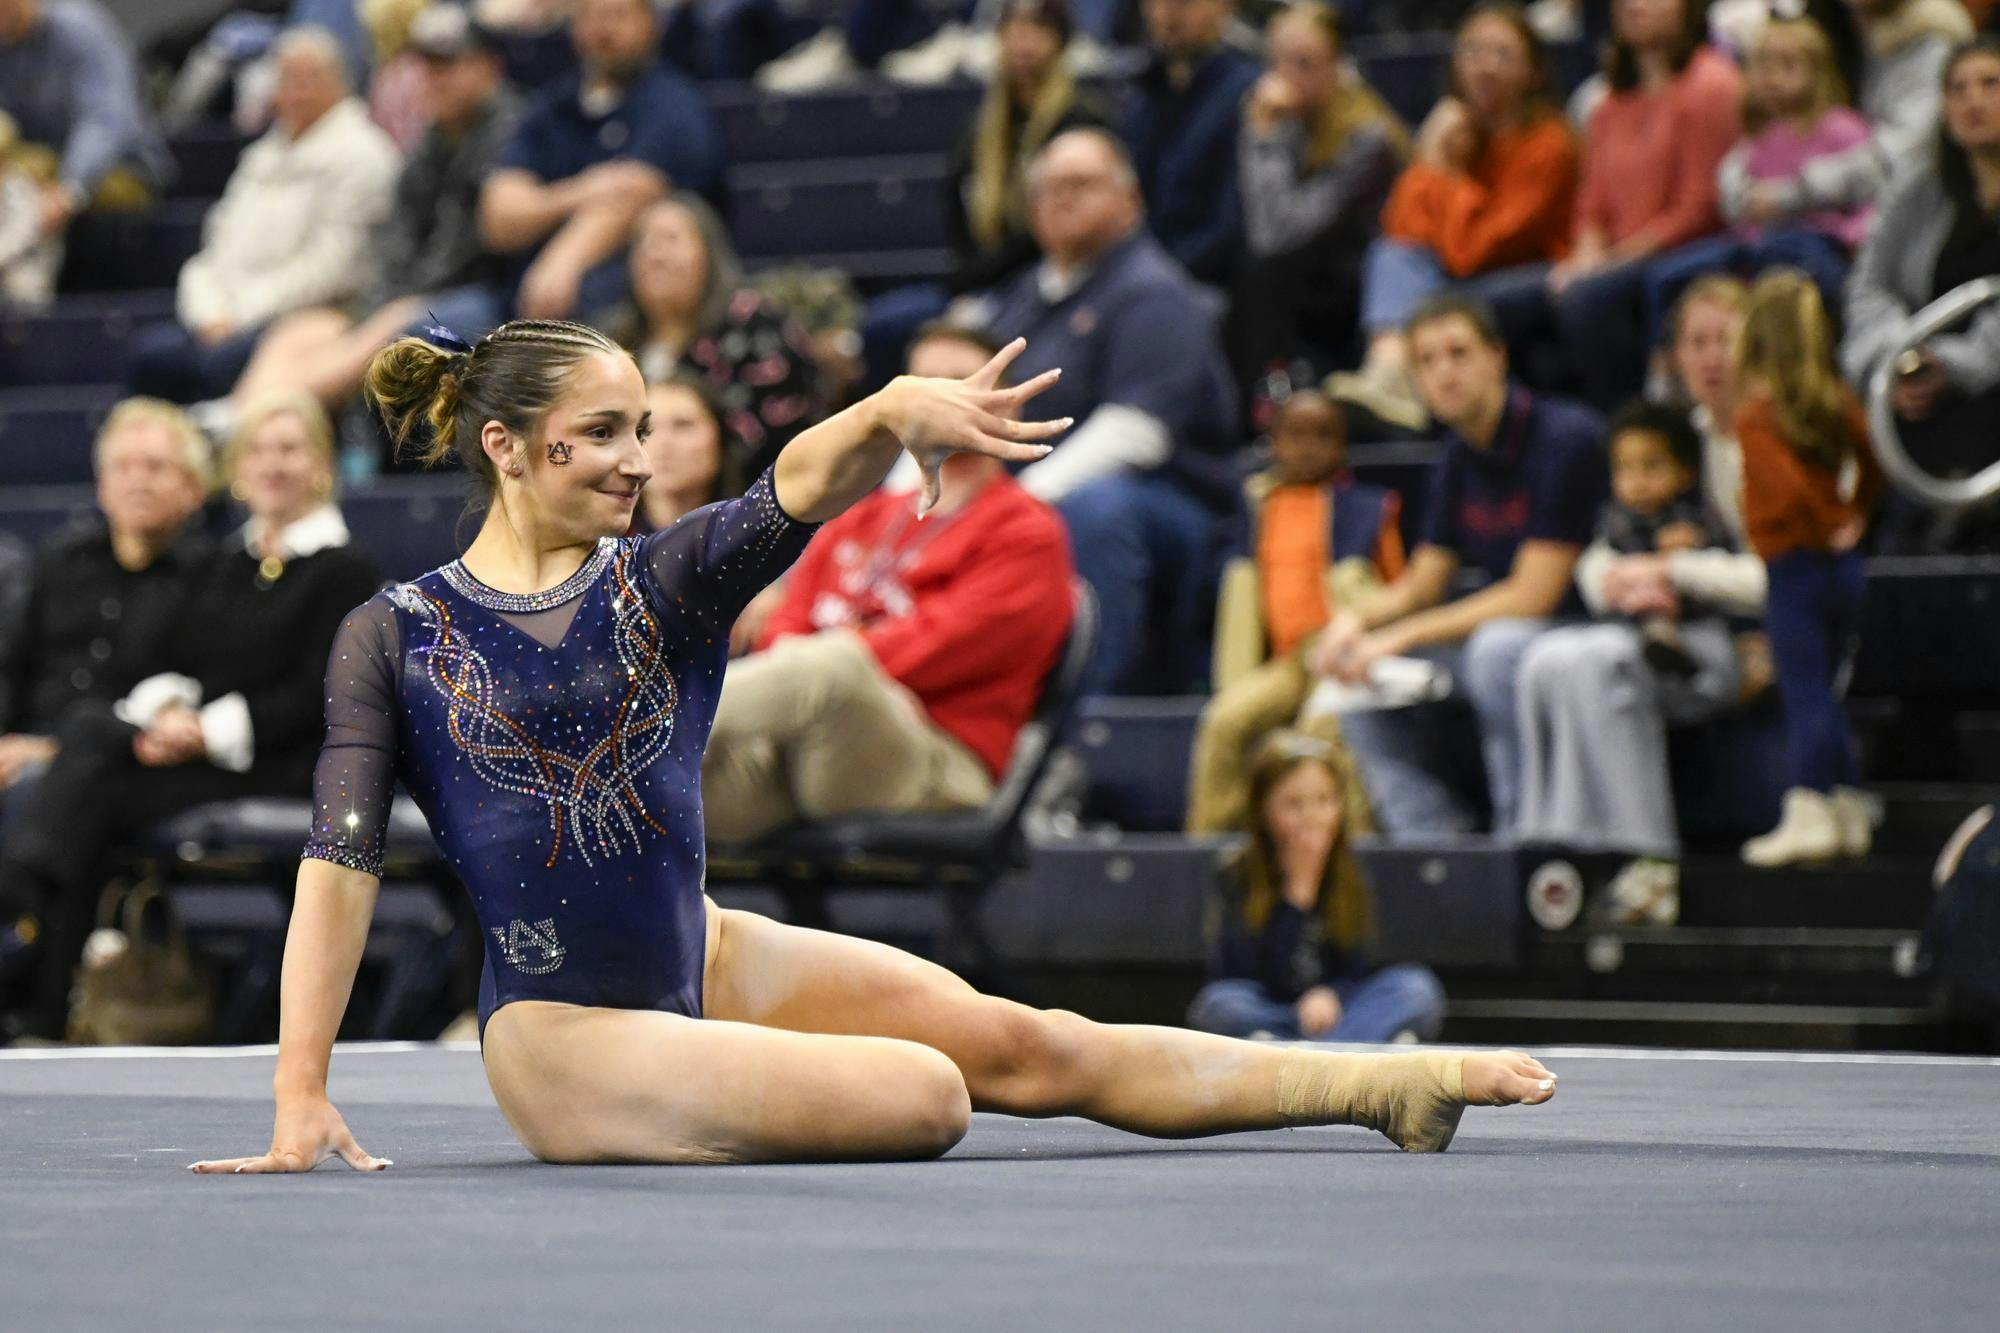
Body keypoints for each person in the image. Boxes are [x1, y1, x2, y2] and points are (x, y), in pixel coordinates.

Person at [185, 317, 1557, 1172]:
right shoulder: (400, 631)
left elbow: (792, 488)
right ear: (506, 447)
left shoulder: (660, 585)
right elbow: (339, 869)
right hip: (559, 1035)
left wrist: (896, 405)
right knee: (929, 1094)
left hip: (697, 950)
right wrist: (299, 1093)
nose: (635, 460)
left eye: (645, 430)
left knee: (1030, 1046)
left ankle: (1380, 1086)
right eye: (600, 434)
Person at [0, 392, 381, 1041]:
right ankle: (39, 991)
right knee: (96, 765)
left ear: (323, 465)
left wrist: (207, 728)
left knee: (92, 772)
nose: (272, 464)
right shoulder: (228, 563)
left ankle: (26, 928)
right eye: (258, 450)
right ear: (237, 468)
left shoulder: (347, 571)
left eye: (290, 449)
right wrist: (170, 710)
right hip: (206, 755)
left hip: (282, 763)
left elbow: (321, 695)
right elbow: (178, 659)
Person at [703, 324, 1076, 844]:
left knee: (836, 665)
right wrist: (802, 674)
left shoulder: (1028, 531)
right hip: (809, 737)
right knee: (670, 794)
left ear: (1006, 407)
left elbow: (943, 644)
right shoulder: (865, 513)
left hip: (936, 758)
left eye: (957, 382)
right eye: (921, 384)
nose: (934, 399)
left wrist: (836, 673)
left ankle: (616, 719)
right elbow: (789, 613)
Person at [1513, 276, 1765, 926]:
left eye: (1725, 340)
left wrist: (1674, 568)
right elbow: (1605, 548)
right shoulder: (1677, 435)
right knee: (1547, 658)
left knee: (1599, 662)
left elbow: (1778, 576)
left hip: (1733, 639)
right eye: (1696, 342)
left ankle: (1651, 863)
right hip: (1654, 621)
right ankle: (1557, 851)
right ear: (1674, 355)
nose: (1711, 357)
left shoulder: (1774, 438)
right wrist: (1616, 578)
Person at [1314, 294, 1607, 836]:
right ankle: (1433, 845)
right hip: (1508, 629)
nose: (1444, 373)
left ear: (1497, 357)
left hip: (1582, 625)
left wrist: (1398, 637)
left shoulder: (1565, 439)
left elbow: (1532, 596)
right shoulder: (1455, 455)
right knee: (1356, 681)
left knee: (1495, 652)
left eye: (1458, 353)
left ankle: (1520, 842)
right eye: (1426, 361)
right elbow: (1422, 584)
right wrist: (1355, 624)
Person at [977, 128, 1241, 694]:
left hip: (1172, 503)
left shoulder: (1156, 292)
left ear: (1130, 199)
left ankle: (1093, 711)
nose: (1062, 198)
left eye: (1082, 184)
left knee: (1096, 509)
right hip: (1037, 493)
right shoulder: (1022, 297)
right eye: (1048, 187)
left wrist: (1012, 505)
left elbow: (1138, 433)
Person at [215, 6, 522, 438]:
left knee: (395, 325)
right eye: (428, 66)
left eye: (450, 64)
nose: (435, 78)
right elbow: (393, 238)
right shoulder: (432, 138)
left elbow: (463, 251)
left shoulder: (508, 133)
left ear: (488, 67)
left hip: (488, 297)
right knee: (306, 326)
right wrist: (382, 297)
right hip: (419, 289)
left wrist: (395, 301)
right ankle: (238, 412)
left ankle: (255, 426)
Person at [128, 27, 401, 404]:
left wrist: (239, 315)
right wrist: (208, 311)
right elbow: (214, 246)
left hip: (310, 319)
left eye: (310, 79)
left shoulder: (365, 155)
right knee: (152, 355)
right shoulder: (260, 157)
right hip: (223, 318)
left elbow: (334, 267)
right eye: (288, 79)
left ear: (341, 83)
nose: (297, 92)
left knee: (220, 365)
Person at [1341, 1, 1580, 431]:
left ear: (1534, 71)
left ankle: (1401, 380)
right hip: (1463, 271)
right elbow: (1404, 230)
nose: (1484, 67)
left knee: (1417, 275)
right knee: (1392, 256)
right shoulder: (1462, 135)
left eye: (1502, 54)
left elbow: (1473, 251)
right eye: (1473, 52)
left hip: (1530, 275)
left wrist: (1441, 171)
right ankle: (1387, 369)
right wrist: (1428, 156)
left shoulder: (1550, 142)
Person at [1186, 384, 1404, 834]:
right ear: (1275, 443)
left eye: (1323, 436)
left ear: (1342, 447)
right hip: (1285, 663)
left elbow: (1396, 592)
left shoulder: (1367, 511)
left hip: (1337, 659)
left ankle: (1347, 853)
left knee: (1319, 734)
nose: (1308, 448)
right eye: (1296, 435)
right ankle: (1212, 844)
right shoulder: (1257, 510)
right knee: (1225, 721)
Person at [0, 402, 211, 828]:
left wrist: (52, 751)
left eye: (155, 467)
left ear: (194, 488)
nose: (137, 481)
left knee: (38, 789)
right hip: (24, 743)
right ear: (101, 486)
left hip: (122, 759)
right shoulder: (61, 560)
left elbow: (184, 700)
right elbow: (11, 666)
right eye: (122, 467)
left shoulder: (212, 577)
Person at [1736, 269, 1879, 868]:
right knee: (1829, 692)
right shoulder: (1834, 399)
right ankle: (1848, 810)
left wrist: (1822, 524)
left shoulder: (1756, 416)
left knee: (1805, 694)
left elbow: (1787, 489)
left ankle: (1809, 810)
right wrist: (1855, 515)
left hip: (1795, 569)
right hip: (1841, 568)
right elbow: (1878, 457)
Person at [1842, 35, 2000, 551]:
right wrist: (1900, 357)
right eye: (1957, 89)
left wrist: (1951, 365)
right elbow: (1870, 287)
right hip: (1916, 391)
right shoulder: (1918, 191)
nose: (1971, 100)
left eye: (1989, 84)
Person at [1187, 731, 1446, 1044]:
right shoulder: (1236, 871)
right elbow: (1237, 972)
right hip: (1273, 1008)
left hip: (1333, 1013)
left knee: (1416, 989)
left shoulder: (1349, 868)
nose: (1311, 818)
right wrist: (1298, 892)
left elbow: (1355, 966)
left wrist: (1329, 994)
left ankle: (1299, 1057)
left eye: (1324, 801)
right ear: (1264, 810)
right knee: (1220, 1005)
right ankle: (1349, 1053)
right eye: (1293, 805)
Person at [1546, 0, 1743, 408]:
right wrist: (1587, 255)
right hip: (1616, 260)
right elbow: (1591, 204)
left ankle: (1624, 427)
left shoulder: (1714, 84)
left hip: (1686, 253)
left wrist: (1612, 261)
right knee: (1504, 305)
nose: (1636, 4)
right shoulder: (1607, 101)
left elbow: (1700, 207)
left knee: (1585, 299)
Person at [480, 0, 723, 324]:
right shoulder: (551, 108)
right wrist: (581, 191)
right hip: (518, 294)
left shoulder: (673, 105)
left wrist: (562, 261)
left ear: (651, 23)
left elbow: (634, 193)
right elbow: (498, 218)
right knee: (435, 330)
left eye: (618, 15)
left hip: (624, 296)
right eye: (591, 16)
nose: (604, 29)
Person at [1646, 14, 1873, 328]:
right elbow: (1735, 205)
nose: (1773, 78)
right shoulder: (1757, 139)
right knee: (1667, 275)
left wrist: (1847, 239)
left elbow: (1869, 207)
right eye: (1764, 67)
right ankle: (1667, 363)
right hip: (1753, 247)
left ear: (1818, 71)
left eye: (1787, 65)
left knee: (1782, 249)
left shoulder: (1842, 129)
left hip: (1820, 248)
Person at [1227, 1, 1406, 388]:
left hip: (1360, 282)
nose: (1288, 78)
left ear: (1338, 67)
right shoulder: (1288, 119)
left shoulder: (1366, 138)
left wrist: (1264, 140)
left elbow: (1279, 235)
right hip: (1305, 276)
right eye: (1279, 63)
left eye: (1305, 63)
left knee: (1262, 274)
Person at [599, 196, 826, 481]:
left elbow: (784, 444)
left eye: (671, 239)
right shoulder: (612, 343)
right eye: (643, 242)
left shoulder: (754, 327)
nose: (654, 255)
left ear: (708, 253)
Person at [0, 0, 170, 307]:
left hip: (123, 171)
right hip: (43, 170)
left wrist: (70, 187)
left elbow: (107, 120)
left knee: (25, 187)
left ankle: (26, 303)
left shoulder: (80, 28)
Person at [1122, 0, 1262, 286]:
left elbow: (1231, 228)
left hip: (1212, 288)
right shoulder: (1140, 92)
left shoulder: (1248, 93)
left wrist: (1154, 279)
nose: (1169, 12)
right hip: (1136, 280)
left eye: (1185, 2)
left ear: (1225, 7)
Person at [633, 374, 741, 533]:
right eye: (646, 428)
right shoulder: (594, 543)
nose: (663, 442)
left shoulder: (758, 539)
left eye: (682, 425)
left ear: (721, 438)